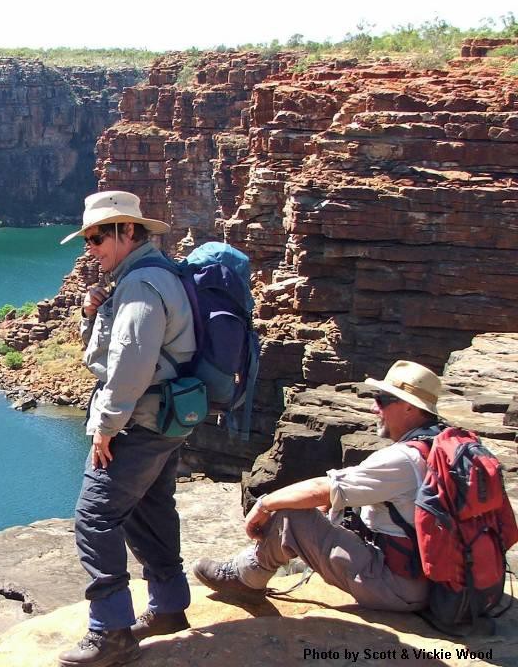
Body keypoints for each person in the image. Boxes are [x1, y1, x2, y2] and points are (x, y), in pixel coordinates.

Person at [57, 191, 197, 667]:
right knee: (149, 509)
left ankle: (111, 631)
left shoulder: (140, 285)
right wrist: (91, 313)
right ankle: (169, 608)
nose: (90, 248)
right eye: (87, 239)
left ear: (128, 231)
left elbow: (130, 364)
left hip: (138, 421)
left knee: (94, 518)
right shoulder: (145, 277)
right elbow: (110, 351)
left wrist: (106, 426)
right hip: (165, 419)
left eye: (97, 237)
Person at [192, 360, 446, 612]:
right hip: (428, 584)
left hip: (398, 588)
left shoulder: (403, 459)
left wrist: (263, 505)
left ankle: (244, 578)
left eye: (381, 400)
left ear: (409, 408)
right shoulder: (437, 445)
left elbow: (321, 489)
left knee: (291, 515)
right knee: (321, 509)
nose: (373, 408)